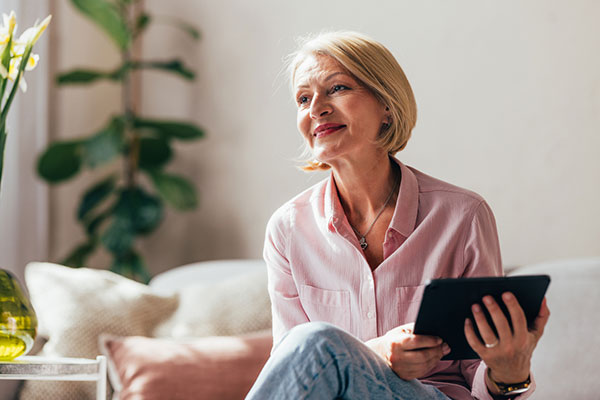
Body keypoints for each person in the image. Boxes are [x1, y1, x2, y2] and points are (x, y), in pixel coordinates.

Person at [246, 31, 549, 400]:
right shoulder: (287, 229)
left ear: (386, 106)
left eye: (337, 88)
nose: (316, 109)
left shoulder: (463, 216)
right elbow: (293, 367)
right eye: (303, 98)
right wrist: (378, 353)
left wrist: (510, 372)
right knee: (308, 344)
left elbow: (480, 378)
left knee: (314, 340)